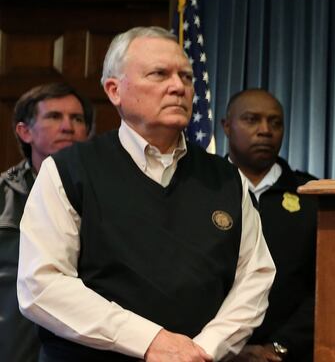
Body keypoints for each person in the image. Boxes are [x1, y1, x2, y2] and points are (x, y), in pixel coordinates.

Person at [17, 26, 276, 361]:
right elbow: (42, 284)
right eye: (159, 74)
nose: (178, 87)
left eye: (186, 77)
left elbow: (255, 277)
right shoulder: (69, 170)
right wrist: (151, 341)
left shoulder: (226, 179)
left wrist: (204, 349)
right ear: (114, 90)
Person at [222, 89, 317, 362]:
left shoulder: (312, 194)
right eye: (251, 120)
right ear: (226, 126)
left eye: (275, 123)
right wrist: (224, 349)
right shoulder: (202, 190)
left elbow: (326, 287)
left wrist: (279, 347)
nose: (265, 130)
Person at [1, 83, 93, 362]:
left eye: (77, 119)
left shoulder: (109, 194)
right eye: (54, 117)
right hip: (14, 347)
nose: (68, 127)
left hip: (84, 348)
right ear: (24, 131)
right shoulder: (2, 194)